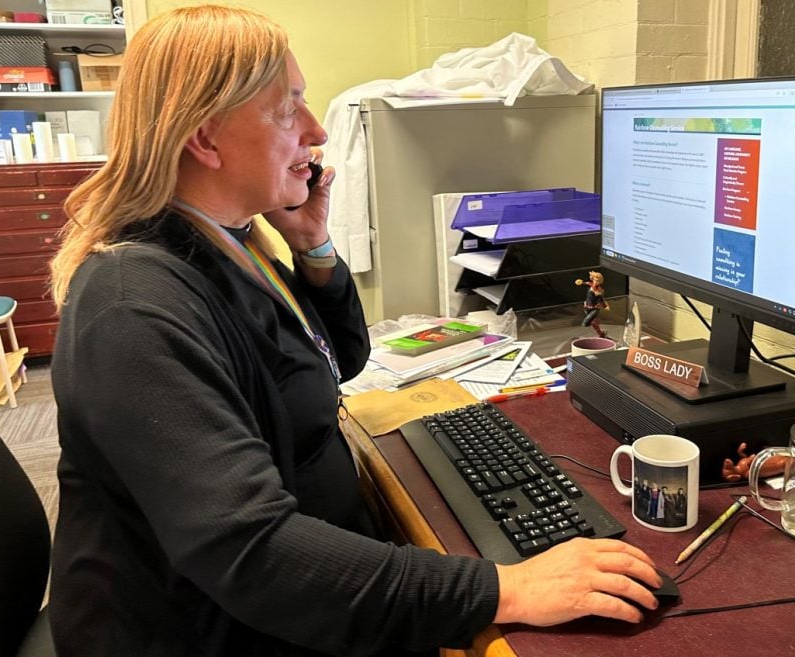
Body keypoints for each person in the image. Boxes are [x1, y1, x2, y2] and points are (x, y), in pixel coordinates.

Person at [47, 6, 661, 657]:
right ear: (205, 136)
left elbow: (333, 360)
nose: (315, 131)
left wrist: (313, 246)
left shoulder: (230, 242)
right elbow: (254, 555)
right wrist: (503, 589)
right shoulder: (133, 305)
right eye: (289, 110)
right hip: (201, 632)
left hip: (268, 600)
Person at [575, 270, 610, 338]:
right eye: (595, 280)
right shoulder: (590, 284)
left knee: (585, 323)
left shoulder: (599, 290)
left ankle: (601, 333)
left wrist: (605, 306)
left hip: (594, 309)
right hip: (587, 307)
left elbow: (601, 299)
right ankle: (601, 334)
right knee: (594, 323)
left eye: (598, 281)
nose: (596, 282)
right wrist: (581, 282)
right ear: (592, 279)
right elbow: (585, 283)